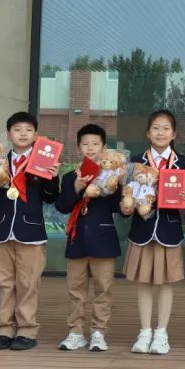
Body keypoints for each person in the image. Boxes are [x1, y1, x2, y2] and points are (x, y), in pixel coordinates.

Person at [0, 112, 60, 351]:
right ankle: (4, 330)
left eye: (28, 130)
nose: (23, 134)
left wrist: (52, 178)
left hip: (31, 232)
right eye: (17, 129)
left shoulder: (42, 161)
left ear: (36, 135)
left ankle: (26, 331)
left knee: (28, 284)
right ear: (9, 135)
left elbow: (50, 198)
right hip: (0, 230)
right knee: (2, 284)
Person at [124, 109, 185, 355]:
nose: (160, 132)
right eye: (155, 128)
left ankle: (161, 333)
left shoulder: (183, 163)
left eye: (165, 128)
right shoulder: (135, 162)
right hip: (142, 229)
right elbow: (126, 197)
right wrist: (125, 205)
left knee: (165, 283)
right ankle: (144, 332)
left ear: (174, 134)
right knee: (144, 281)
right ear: (147, 133)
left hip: (169, 230)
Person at [55, 124, 120, 353]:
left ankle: (99, 332)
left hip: (103, 238)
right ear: (78, 147)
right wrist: (77, 187)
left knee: (104, 289)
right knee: (75, 289)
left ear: (103, 147)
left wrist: (117, 184)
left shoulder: (112, 176)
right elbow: (62, 206)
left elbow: (119, 207)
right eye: (85, 144)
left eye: (95, 144)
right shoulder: (70, 176)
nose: (90, 148)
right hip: (77, 238)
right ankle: (75, 332)